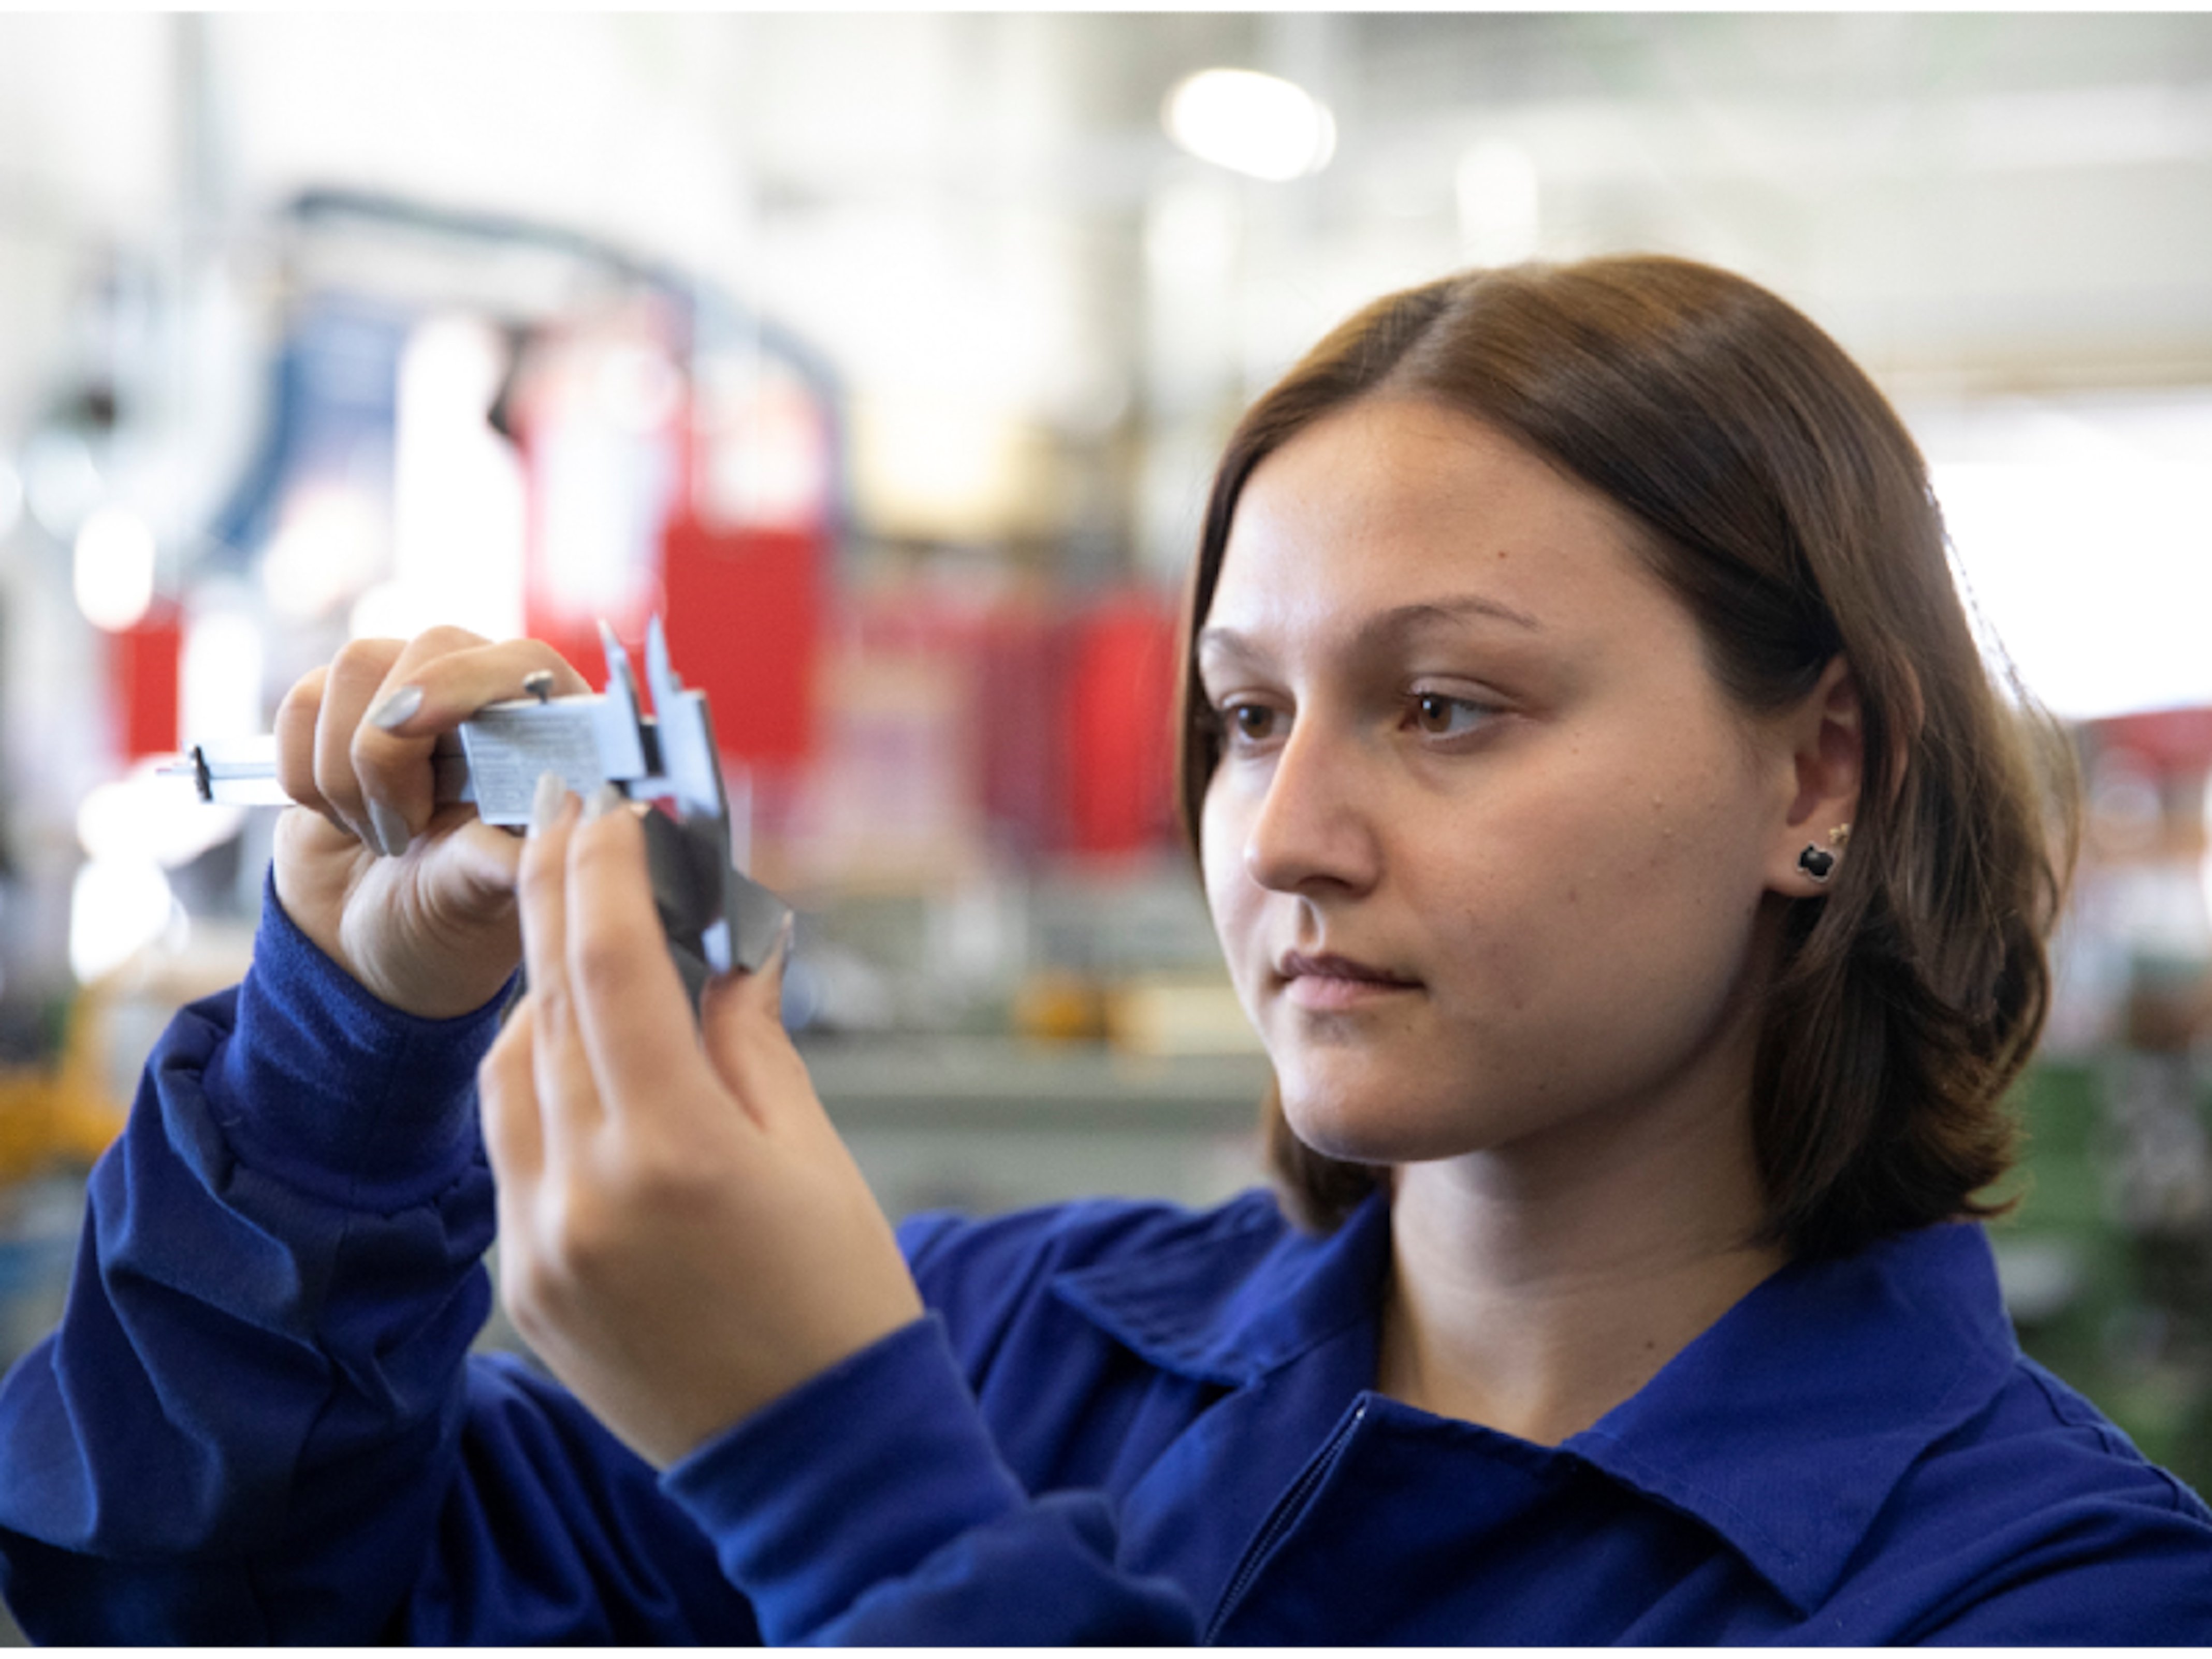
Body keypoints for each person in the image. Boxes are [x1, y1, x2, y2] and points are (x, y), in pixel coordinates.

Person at [2, 254, 2208, 1643]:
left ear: (1818, 774)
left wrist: (838, 1486)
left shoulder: (2048, 1595)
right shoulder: (1005, 1343)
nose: (1293, 835)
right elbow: (182, 1601)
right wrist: (344, 1058)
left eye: (1448, 706)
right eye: (1250, 716)